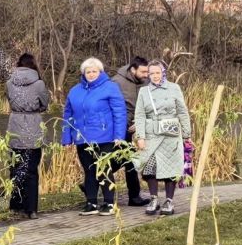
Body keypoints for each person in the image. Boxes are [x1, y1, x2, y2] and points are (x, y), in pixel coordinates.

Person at [62, 57, 127, 216]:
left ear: (100, 72)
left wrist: (119, 135)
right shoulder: (75, 90)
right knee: (89, 170)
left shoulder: (110, 88)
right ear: (83, 73)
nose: (91, 74)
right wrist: (66, 137)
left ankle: (109, 202)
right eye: (88, 72)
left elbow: (119, 113)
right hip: (82, 138)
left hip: (103, 136)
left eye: (94, 71)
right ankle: (91, 202)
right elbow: (68, 114)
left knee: (104, 170)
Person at [133, 59, 192, 215]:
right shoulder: (144, 92)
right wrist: (140, 136)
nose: (155, 76)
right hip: (151, 134)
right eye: (151, 73)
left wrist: (186, 134)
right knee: (149, 168)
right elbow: (139, 115)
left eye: (157, 73)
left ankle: (169, 201)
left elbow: (182, 111)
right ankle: (153, 198)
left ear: (163, 73)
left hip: (170, 134)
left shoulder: (174, 88)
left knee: (170, 168)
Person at [6, 53, 50, 219]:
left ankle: (16, 205)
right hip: (33, 127)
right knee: (31, 170)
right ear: (33, 66)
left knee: (16, 168)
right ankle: (31, 209)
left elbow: (10, 100)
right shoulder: (39, 84)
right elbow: (45, 104)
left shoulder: (10, 83)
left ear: (18, 65)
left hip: (15, 127)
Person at [111, 56, 150, 206]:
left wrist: (140, 122)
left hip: (137, 125)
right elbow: (113, 107)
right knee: (129, 160)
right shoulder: (116, 82)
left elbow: (147, 105)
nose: (146, 75)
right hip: (121, 128)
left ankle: (93, 179)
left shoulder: (145, 82)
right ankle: (134, 197)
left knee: (128, 160)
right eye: (143, 71)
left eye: (147, 71)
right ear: (133, 69)